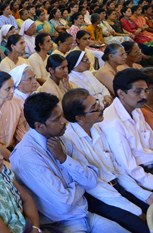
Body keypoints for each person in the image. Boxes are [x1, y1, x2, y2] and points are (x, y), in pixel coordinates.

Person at [10, 92, 128, 233]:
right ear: (39, 126)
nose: (64, 121)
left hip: (83, 214)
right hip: (62, 223)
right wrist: (79, 182)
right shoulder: (27, 157)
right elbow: (63, 204)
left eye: (61, 115)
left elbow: (91, 180)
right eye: (57, 119)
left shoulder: (58, 138)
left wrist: (64, 159)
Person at [62, 89, 151, 233]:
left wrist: (143, 195)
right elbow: (95, 186)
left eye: (97, 103)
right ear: (79, 117)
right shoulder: (70, 142)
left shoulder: (96, 128)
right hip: (99, 198)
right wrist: (134, 209)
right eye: (94, 109)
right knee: (142, 226)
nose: (101, 108)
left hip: (117, 185)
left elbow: (117, 169)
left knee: (150, 209)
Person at [99, 69, 153, 193]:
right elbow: (130, 169)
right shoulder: (113, 123)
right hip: (140, 174)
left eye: (145, 90)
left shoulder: (135, 109)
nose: (144, 96)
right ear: (121, 93)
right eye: (138, 92)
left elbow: (150, 139)